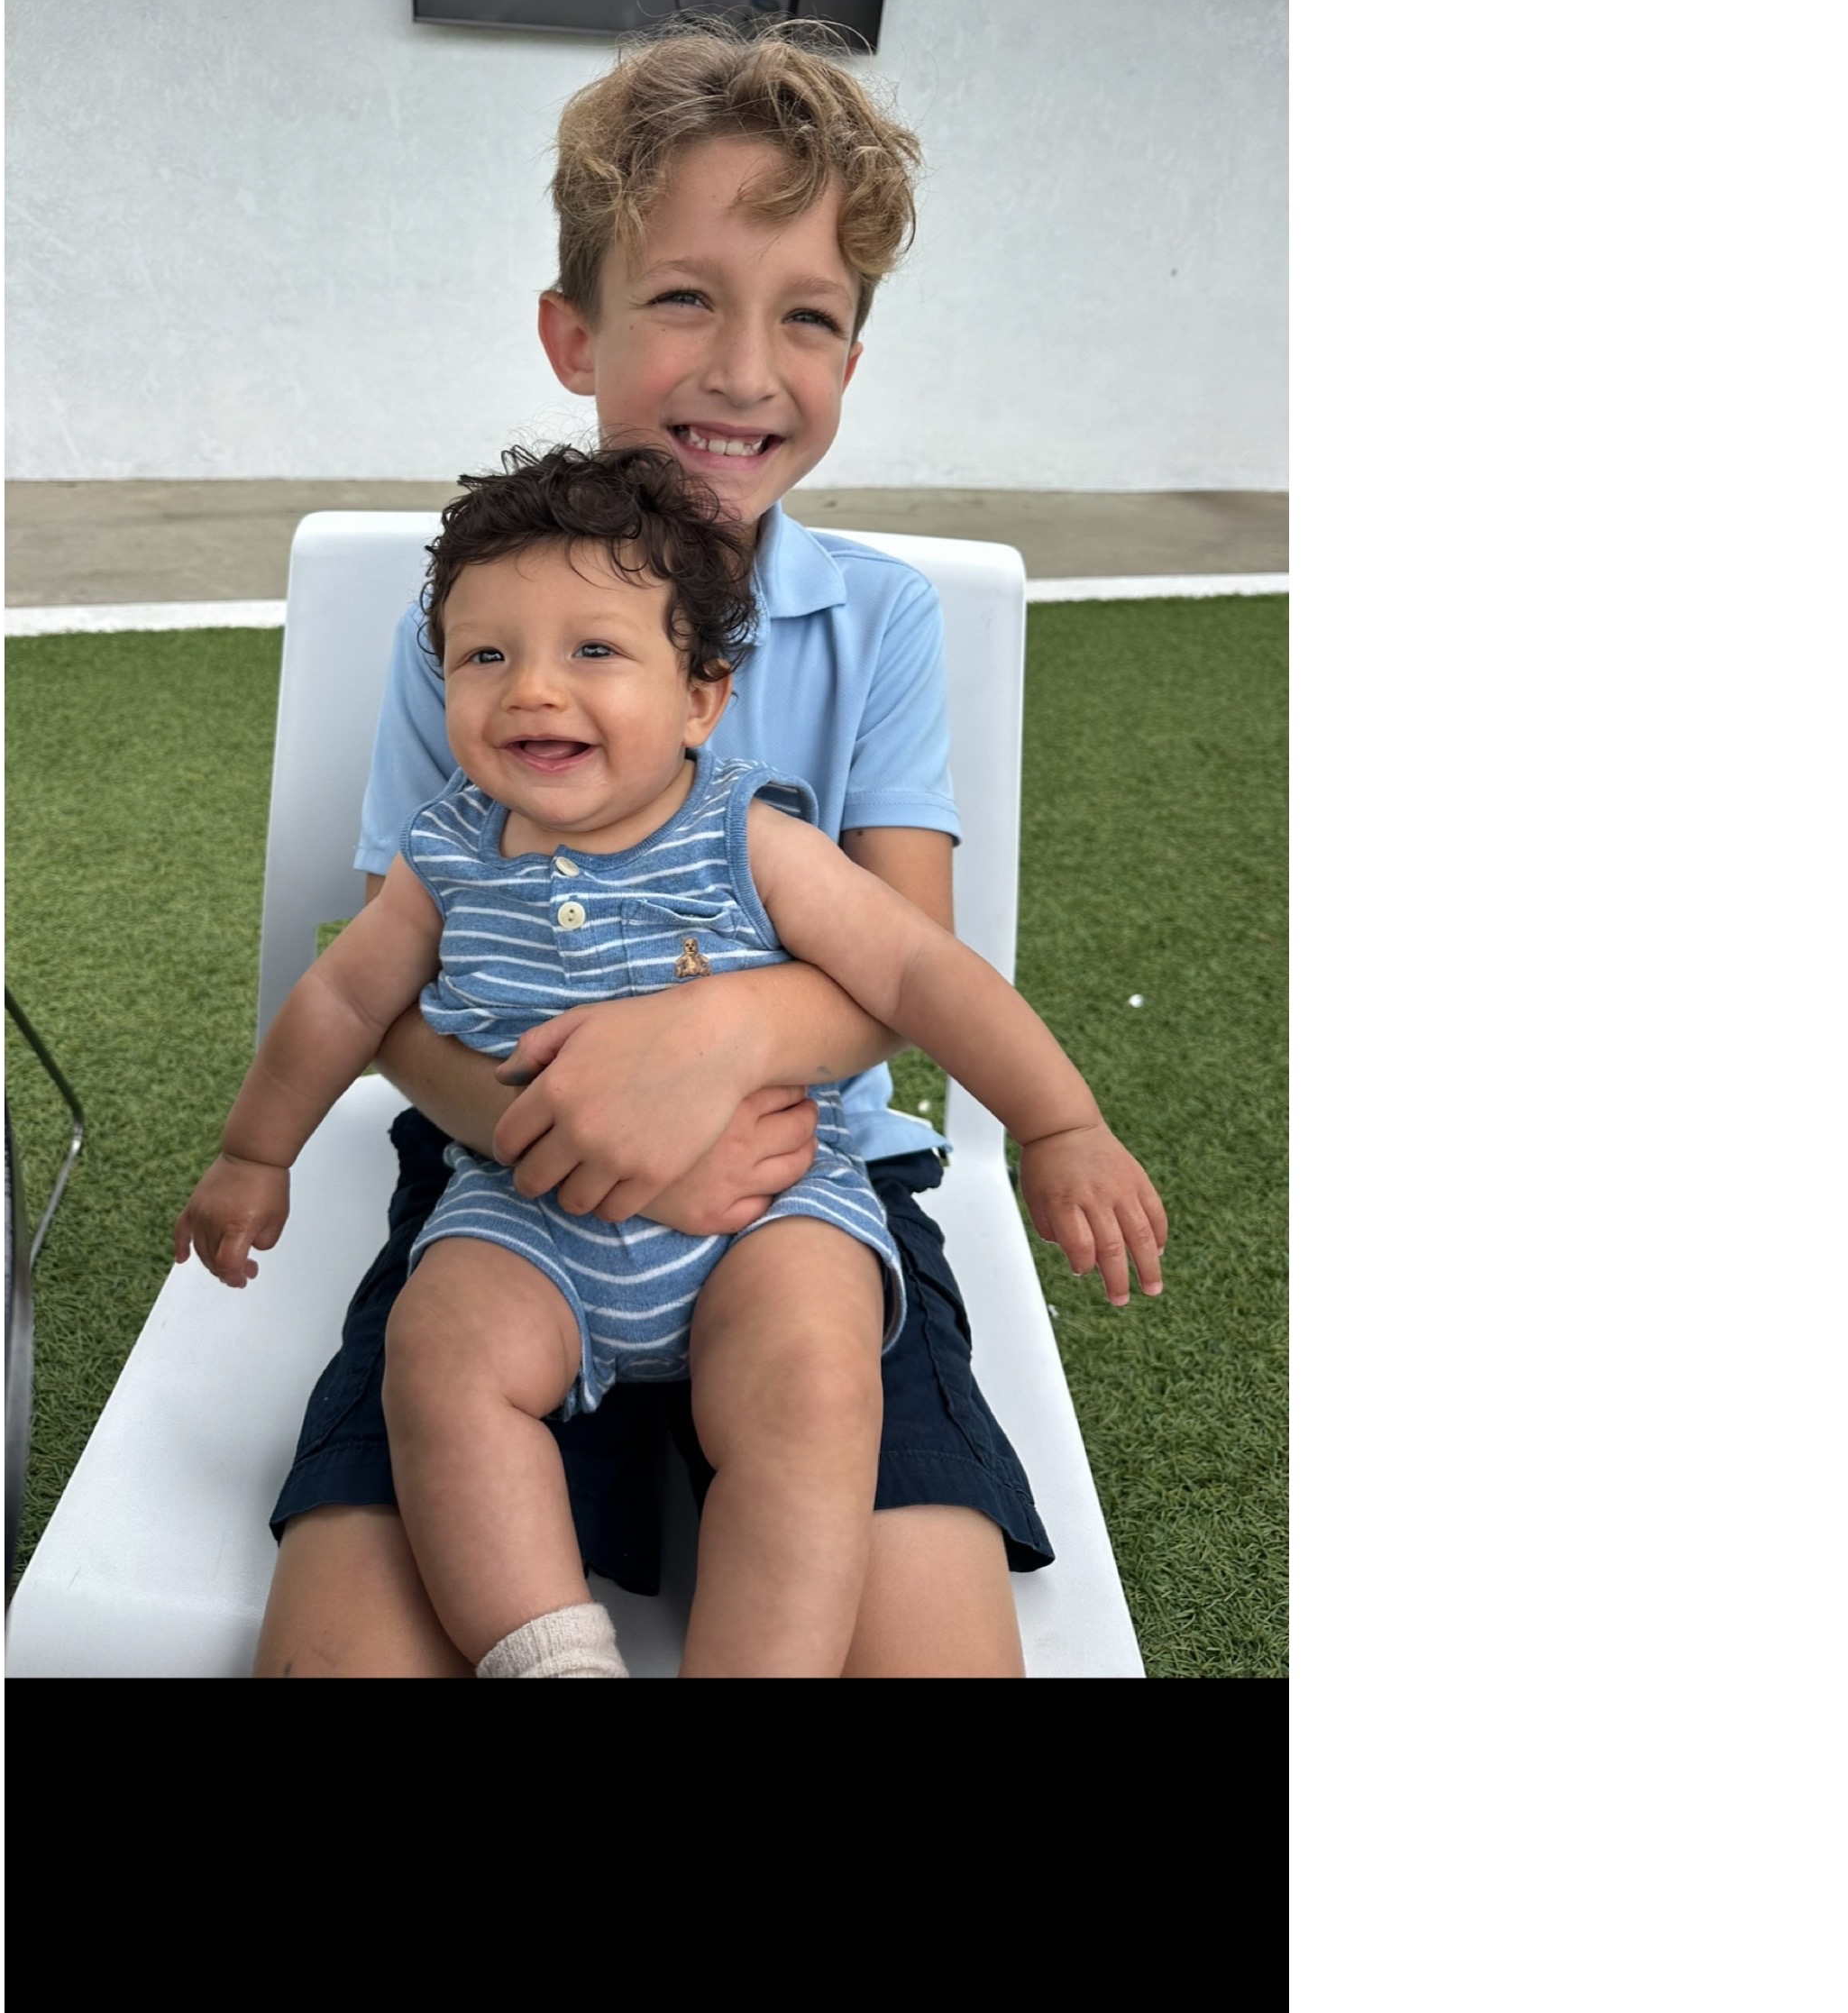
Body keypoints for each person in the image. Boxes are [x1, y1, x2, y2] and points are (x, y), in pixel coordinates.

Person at [238, 17, 1135, 1677]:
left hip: (807, 1187)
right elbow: (391, 988)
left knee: (929, 1647)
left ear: (852, 357)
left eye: (808, 316)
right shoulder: (483, 633)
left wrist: (705, 1046)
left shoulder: (879, 622)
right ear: (572, 332)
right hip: (509, 1189)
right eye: (682, 298)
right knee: (347, 1642)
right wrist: (550, 1129)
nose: (744, 369)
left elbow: (906, 968)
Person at [175, 444, 1166, 1678]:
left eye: (593, 649)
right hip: (526, 1212)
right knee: (438, 1358)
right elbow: (341, 1002)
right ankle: (552, 1656)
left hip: (766, 1212)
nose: (533, 690)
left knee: (815, 1384)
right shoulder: (445, 857)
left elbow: (917, 971)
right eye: (485, 657)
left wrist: (1060, 1125)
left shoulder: (749, 833)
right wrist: (252, 1154)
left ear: (701, 698)